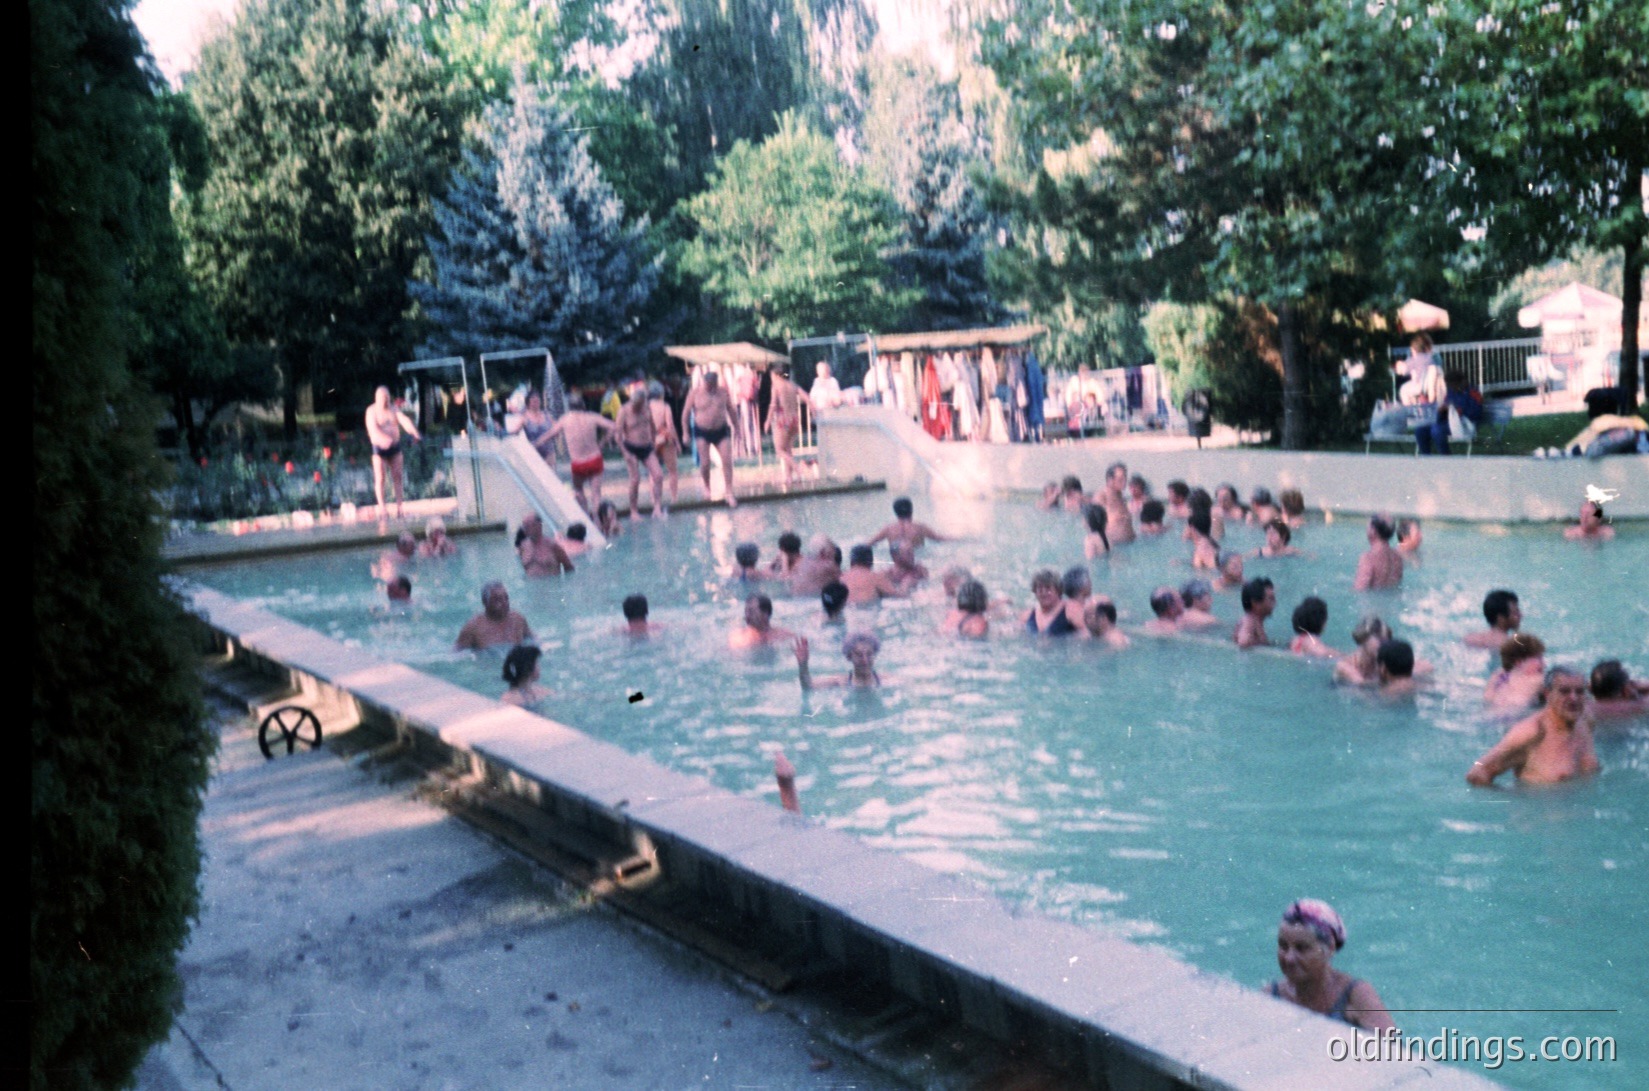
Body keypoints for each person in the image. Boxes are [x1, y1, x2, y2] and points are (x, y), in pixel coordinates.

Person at [1269, 899, 1395, 1033]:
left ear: (1329, 948)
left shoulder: (1355, 996)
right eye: (1283, 946)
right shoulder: (1270, 996)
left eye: (1302, 948)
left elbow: (1393, 1048)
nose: (1289, 958)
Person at [1467, 666, 1600, 786]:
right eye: (1564, 691)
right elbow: (1478, 771)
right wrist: (1511, 800)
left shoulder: (1585, 719)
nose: (1574, 698)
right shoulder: (1531, 733)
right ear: (1547, 694)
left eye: (1580, 691)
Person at [545, 394, 617, 516]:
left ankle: (585, 517)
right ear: (583, 405)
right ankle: (597, 522)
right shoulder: (592, 417)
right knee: (596, 494)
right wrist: (603, 442)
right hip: (595, 459)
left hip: (578, 463)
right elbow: (614, 426)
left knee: (578, 490)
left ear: (570, 407)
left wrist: (534, 443)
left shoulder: (565, 419)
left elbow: (550, 434)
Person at [365, 386, 421, 521]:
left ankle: (400, 508)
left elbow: (404, 420)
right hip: (379, 448)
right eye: (383, 398)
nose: (385, 401)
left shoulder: (394, 409)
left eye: (387, 398)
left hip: (394, 447)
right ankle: (382, 509)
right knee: (380, 478)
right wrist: (384, 440)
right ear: (377, 398)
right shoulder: (371, 411)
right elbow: (372, 431)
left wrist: (414, 432)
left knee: (398, 476)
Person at [684, 370, 738, 507]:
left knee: (727, 459)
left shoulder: (722, 392)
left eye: (713, 385)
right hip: (702, 431)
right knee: (705, 462)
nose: (711, 388)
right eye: (708, 385)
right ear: (704, 382)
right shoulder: (695, 393)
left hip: (720, 430)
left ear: (716, 382)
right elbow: (685, 414)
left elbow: (731, 410)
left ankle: (729, 491)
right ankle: (707, 487)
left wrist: (737, 428)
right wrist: (685, 433)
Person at [614, 381, 667, 520]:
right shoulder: (624, 410)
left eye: (640, 405)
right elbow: (617, 435)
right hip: (630, 448)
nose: (637, 408)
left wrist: (654, 441)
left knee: (658, 475)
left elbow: (652, 426)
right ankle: (633, 511)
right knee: (635, 479)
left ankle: (657, 508)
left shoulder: (647, 408)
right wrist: (625, 453)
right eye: (635, 406)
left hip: (646, 447)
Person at [1416, 369, 1483, 455]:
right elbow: (1446, 410)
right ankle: (1426, 458)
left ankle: (1446, 458)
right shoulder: (1451, 392)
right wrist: (1442, 411)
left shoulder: (1473, 393)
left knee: (1437, 430)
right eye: (1450, 385)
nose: (1451, 387)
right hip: (1449, 422)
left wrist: (1457, 410)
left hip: (1464, 423)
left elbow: (1476, 413)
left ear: (1462, 381)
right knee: (1420, 430)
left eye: (1453, 384)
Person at [767, 366, 815, 487]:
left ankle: (797, 468)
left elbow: (773, 405)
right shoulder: (793, 385)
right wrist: (813, 411)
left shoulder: (776, 386)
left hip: (783, 420)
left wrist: (767, 420)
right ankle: (790, 477)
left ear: (777, 375)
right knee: (788, 450)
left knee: (780, 450)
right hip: (794, 420)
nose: (771, 379)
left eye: (772, 376)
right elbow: (807, 398)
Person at [455, 582, 533, 650]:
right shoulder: (473, 628)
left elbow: (532, 639)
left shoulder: (518, 619)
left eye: (506, 598)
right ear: (485, 602)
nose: (504, 603)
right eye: (497, 600)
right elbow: (457, 654)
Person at [794, 631, 884, 689]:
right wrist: (803, 665)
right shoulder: (840, 682)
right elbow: (808, 686)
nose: (865, 660)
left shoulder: (888, 681)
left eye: (869, 654)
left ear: (875, 655)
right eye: (859, 655)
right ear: (849, 657)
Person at [1484, 634, 1547, 713]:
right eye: (1539, 658)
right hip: (1515, 716)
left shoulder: (1499, 675)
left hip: (1490, 714)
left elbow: (1487, 698)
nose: (1544, 664)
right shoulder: (1537, 679)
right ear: (1519, 662)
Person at [868, 497, 951, 551]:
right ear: (911, 510)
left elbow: (869, 544)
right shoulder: (921, 528)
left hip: (896, 558)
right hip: (918, 557)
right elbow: (939, 539)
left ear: (895, 512)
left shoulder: (888, 529)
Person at [647, 380, 682, 505]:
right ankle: (674, 499)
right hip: (665, 438)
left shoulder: (646, 407)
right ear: (661, 393)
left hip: (651, 440)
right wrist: (677, 443)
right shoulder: (665, 406)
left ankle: (654, 500)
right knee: (672, 471)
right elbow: (670, 425)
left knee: (653, 472)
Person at [1333, 616, 1392, 686]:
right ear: (1364, 638)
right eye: (1379, 639)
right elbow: (1361, 685)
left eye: (1386, 641)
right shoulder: (1345, 666)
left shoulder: (1384, 664)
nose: (1384, 644)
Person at [841, 544, 907, 605]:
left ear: (851, 561)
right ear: (871, 562)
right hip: (866, 611)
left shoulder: (840, 577)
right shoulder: (876, 577)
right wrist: (905, 584)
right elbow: (900, 596)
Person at [1352, 515, 1403, 591]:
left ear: (1373, 531)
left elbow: (1359, 589)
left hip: (1371, 601)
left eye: (1368, 527)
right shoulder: (1398, 558)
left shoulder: (1368, 558)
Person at [729, 593, 795, 649]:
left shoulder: (782, 636)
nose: (747, 616)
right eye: (746, 611)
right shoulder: (740, 638)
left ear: (765, 613)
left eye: (751, 611)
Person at [1024, 569, 1078, 636]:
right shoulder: (1029, 614)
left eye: (1048, 588)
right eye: (1040, 589)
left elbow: (1086, 633)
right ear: (1035, 591)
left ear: (1058, 590)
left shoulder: (1071, 609)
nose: (1044, 593)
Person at [1397, 332, 1442, 406]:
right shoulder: (1430, 358)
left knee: (1403, 390)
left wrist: (1399, 367)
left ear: (1414, 350)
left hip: (1419, 385)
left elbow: (1404, 370)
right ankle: (1419, 406)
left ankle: (1409, 409)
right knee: (1411, 390)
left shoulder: (1414, 359)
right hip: (1428, 386)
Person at [515, 390, 556, 464]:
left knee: (550, 474)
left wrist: (552, 435)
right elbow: (515, 432)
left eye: (537, 400)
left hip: (549, 454)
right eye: (533, 401)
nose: (536, 403)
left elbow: (556, 430)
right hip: (534, 454)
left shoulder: (547, 415)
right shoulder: (524, 417)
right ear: (528, 403)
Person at [1234, 577, 1276, 648]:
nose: (1275, 602)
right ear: (1255, 603)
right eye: (1271, 599)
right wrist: (1262, 644)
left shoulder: (1255, 621)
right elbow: (1243, 641)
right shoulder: (1249, 620)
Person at [1100, 462, 1136, 544]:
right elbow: (1090, 521)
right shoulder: (1102, 496)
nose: (1124, 482)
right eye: (1120, 479)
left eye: (1125, 478)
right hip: (1115, 546)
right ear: (1110, 480)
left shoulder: (1119, 495)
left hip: (1129, 544)